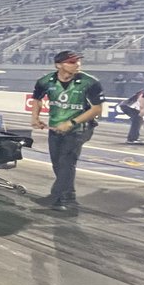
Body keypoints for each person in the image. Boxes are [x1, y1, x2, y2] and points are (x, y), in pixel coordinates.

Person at [30, 50, 104, 211]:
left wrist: (71, 123)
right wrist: (35, 117)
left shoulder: (90, 82)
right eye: (71, 62)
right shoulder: (45, 81)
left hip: (80, 128)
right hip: (55, 127)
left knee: (66, 161)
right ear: (58, 65)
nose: (77, 64)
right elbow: (36, 99)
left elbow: (97, 109)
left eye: (78, 61)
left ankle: (59, 197)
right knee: (57, 162)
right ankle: (68, 195)